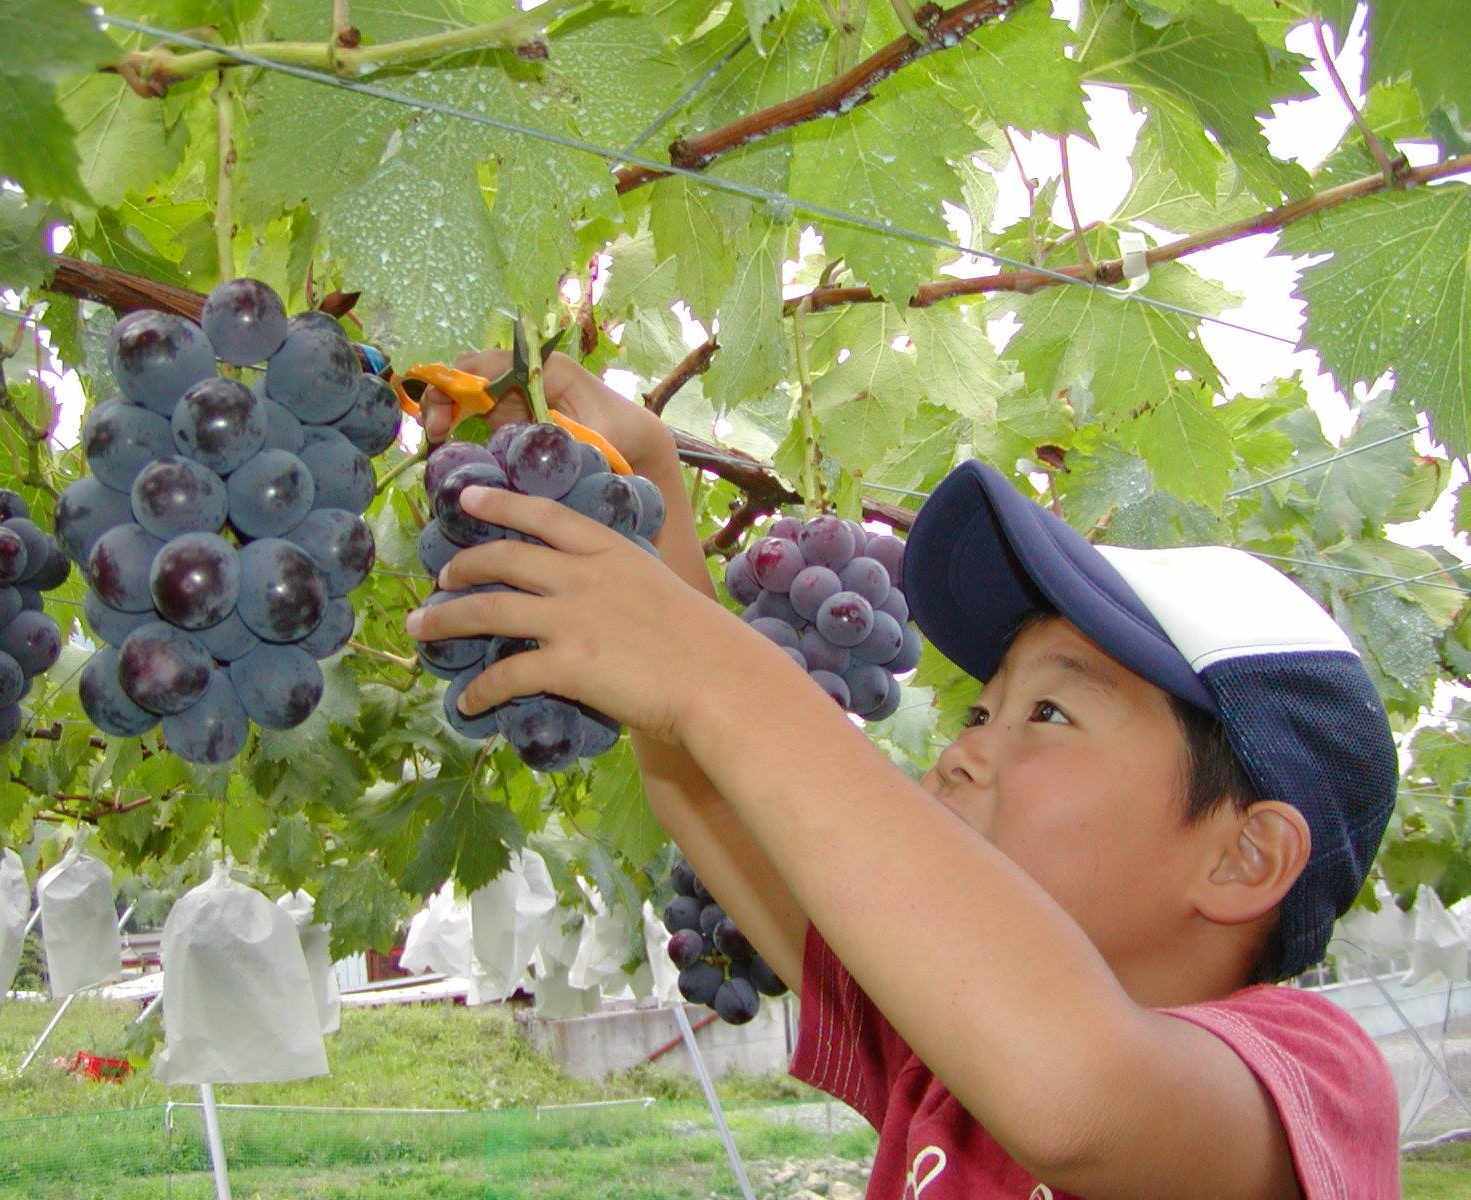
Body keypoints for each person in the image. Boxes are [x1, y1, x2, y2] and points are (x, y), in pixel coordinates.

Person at [408, 351, 1402, 1199]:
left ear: (1243, 858)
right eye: (980, 710)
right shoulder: (940, 1067)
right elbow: (702, 793)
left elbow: (1073, 1093)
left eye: (1048, 713)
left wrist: (719, 677)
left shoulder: (1306, 1076)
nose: (960, 750)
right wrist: (653, 481)